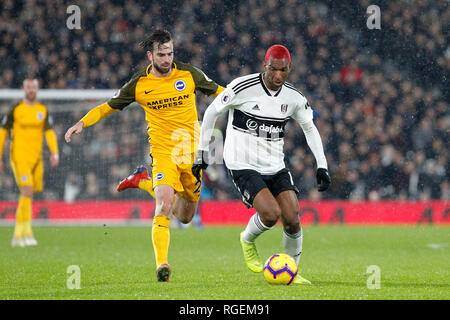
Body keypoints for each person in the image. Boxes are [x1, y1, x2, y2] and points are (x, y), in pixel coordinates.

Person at [64, 29, 224, 282]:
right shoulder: (139, 84)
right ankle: (162, 264)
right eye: (161, 54)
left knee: (185, 215)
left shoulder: (189, 74)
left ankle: (142, 180)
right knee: (163, 206)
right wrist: (82, 123)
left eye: (170, 53)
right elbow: (108, 106)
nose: (167, 59)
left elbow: (221, 94)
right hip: (162, 153)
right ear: (150, 55)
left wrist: (249, 104)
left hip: (191, 155)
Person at [192, 45, 331, 284]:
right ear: (264, 66)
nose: (278, 76)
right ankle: (247, 239)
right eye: (273, 69)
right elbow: (212, 113)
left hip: (275, 165)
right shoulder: (242, 87)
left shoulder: (294, 98)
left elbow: (309, 127)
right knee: (270, 214)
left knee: (293, 217)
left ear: (289, 69)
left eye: (283, 70)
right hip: (241, 163)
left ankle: (292, 272)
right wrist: (202, 152)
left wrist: (322, 165)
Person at [0, 78, 59, 247]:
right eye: (28, 87)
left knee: (29, 193)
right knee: (26, 190)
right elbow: (3, 132)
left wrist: (54, 152)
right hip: (19, 156)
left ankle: (24, 233)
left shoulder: (42, 110)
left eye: (33, 87)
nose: (31, 90)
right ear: (23, 88)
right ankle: (20, 234)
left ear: (37, 88)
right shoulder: (16, 109)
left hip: (37, 158)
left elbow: (49, 133)